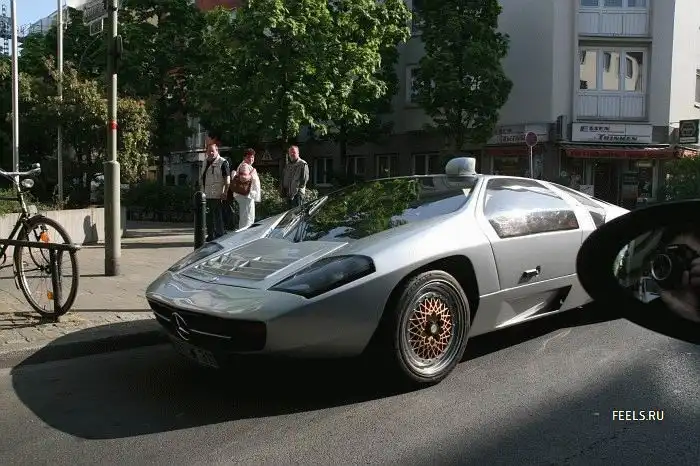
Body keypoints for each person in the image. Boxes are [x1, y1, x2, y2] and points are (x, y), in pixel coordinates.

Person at [201, 143, 231, 241]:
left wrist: (225, 192)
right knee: (209, 217)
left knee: (218, 216)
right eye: (209, 151)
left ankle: (219, 235)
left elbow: (227, 180)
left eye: (212, 151)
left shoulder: (223, 162)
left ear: (217, 151)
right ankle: (210, 235)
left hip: (218, 194)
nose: (211, 153)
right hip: (206, 194)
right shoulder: (205, 162)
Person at [231, 148, 261, 230]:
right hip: (246, 196)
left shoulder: (246, 165)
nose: (251, 159)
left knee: (246, 218)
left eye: (252, 157)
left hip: (246, 196)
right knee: (247, 219)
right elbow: (243, 178)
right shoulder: (245, 165)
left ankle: (243, 235)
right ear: (244, 158)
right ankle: (244, 236)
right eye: (248, 157)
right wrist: (252, 174)